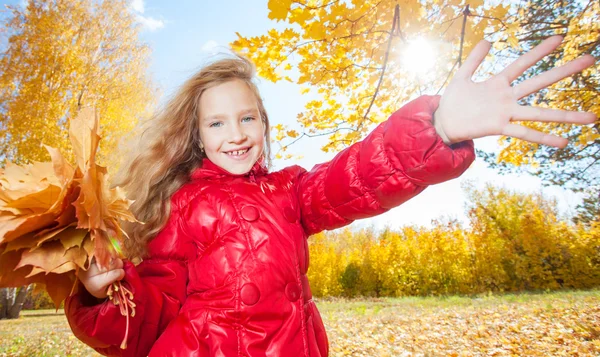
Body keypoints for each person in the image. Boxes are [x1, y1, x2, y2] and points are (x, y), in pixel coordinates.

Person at [65, 36, 596, 356]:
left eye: (247, 117)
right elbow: (150, 313)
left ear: (264, 124)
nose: (236, 133)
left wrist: (438, 128)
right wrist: (100, 293)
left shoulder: (290, 191)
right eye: (218, 122)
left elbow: (359, 175)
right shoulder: (183, 206)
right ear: (197, 135)